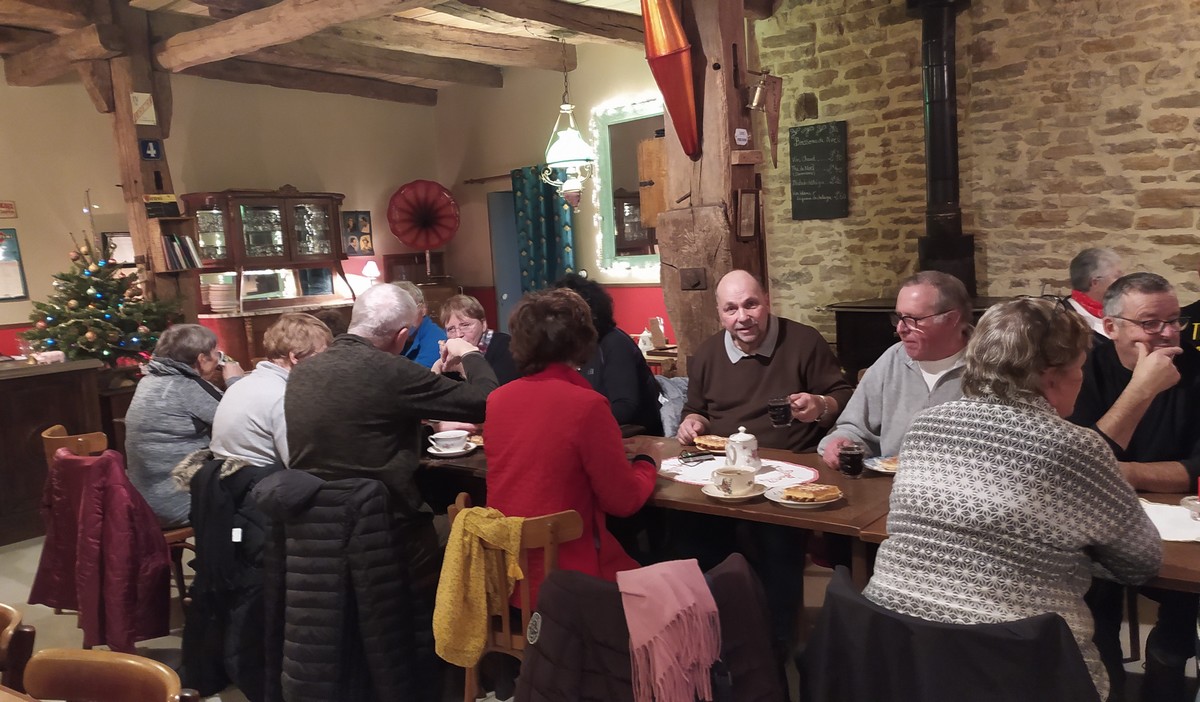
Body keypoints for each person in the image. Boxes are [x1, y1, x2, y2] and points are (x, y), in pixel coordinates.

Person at [864, 297, 1161, 702]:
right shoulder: (1075, 447)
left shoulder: (925, 425)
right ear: (1050, 377)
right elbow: (1141, 561)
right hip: (1018, 671)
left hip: (900, 659)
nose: (1082, 378)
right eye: (1079, 367)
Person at [1068, 272, 1199, 700]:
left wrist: (1129, 471)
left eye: (1174, 320)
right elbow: (1074, 464)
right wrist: (1141, 389)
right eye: (1150, 323)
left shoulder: (1195, 367)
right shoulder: (1081, 370)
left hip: (1178, 525)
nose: (1168, 333)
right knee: (1091, 605)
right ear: (1111, 327)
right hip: (1094, 525)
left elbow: (1197, 469)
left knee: (1184, 604)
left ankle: (1165, 662)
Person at [483, 288, 659, 608]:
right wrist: (647, 463)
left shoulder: (496, 401)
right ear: (582, 340)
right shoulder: (587, 405)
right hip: (573, 588)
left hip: (507, 583)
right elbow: (623, 501)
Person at [677, 269, 853, 449]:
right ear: (720, 313)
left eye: (751, 304)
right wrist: (692, 423)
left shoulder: (805, 341)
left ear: (767, 302)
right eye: (731, 309)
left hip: (792, 458)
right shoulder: (706, 353)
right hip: (725, 457)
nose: (743, 317)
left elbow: (844, 396)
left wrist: (820, 404)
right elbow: (696, 411)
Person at [820, 271, 970, 467]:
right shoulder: (893, 359)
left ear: (951, 319)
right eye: (899, 317)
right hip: (892, 482)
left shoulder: (991, 366)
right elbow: (854, 429)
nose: (900, 329)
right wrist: (841, 442)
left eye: (913, 319)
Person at [125, 323, 245, 527]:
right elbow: (243, 420)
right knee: (262, 486)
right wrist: (236, 382)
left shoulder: (149, 381)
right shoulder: (187, 387)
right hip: (180, 503)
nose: (219, 361)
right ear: (202, 359)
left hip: (144, 503)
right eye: (216, 354)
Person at [209, 313, 332, 467]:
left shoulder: (245, 384)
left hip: (226, 476)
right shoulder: (283, 397)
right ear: (295, 357)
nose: (328, 362)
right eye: (322, 355)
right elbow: (303, 464)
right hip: (259, 479)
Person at [554, 272, 664, 435]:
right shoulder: (565, 348)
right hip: (586, 431)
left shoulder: (615, 343)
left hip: (633, 436)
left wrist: (574, 420)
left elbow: (625, 407)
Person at [435, 293, 517, 385]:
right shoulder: (451, 355)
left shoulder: (505, 346)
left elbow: (493, 391)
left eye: (465, 325)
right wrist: (439, 366)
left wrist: (461, 369)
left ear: (483, 324)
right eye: (451, 329)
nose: (458, 335)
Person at [1067, 247, 1123, 339]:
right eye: (1117, 277)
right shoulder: (1067, 321)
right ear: (1095, 282)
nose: (1123, 282)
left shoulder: (1120, 313)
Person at [392, 280, 447, 368]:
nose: (402, 319)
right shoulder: (393, 336)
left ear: (423, 309)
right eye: (395, 312)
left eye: (409, 310)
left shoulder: (437, 340)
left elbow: (414, 375)